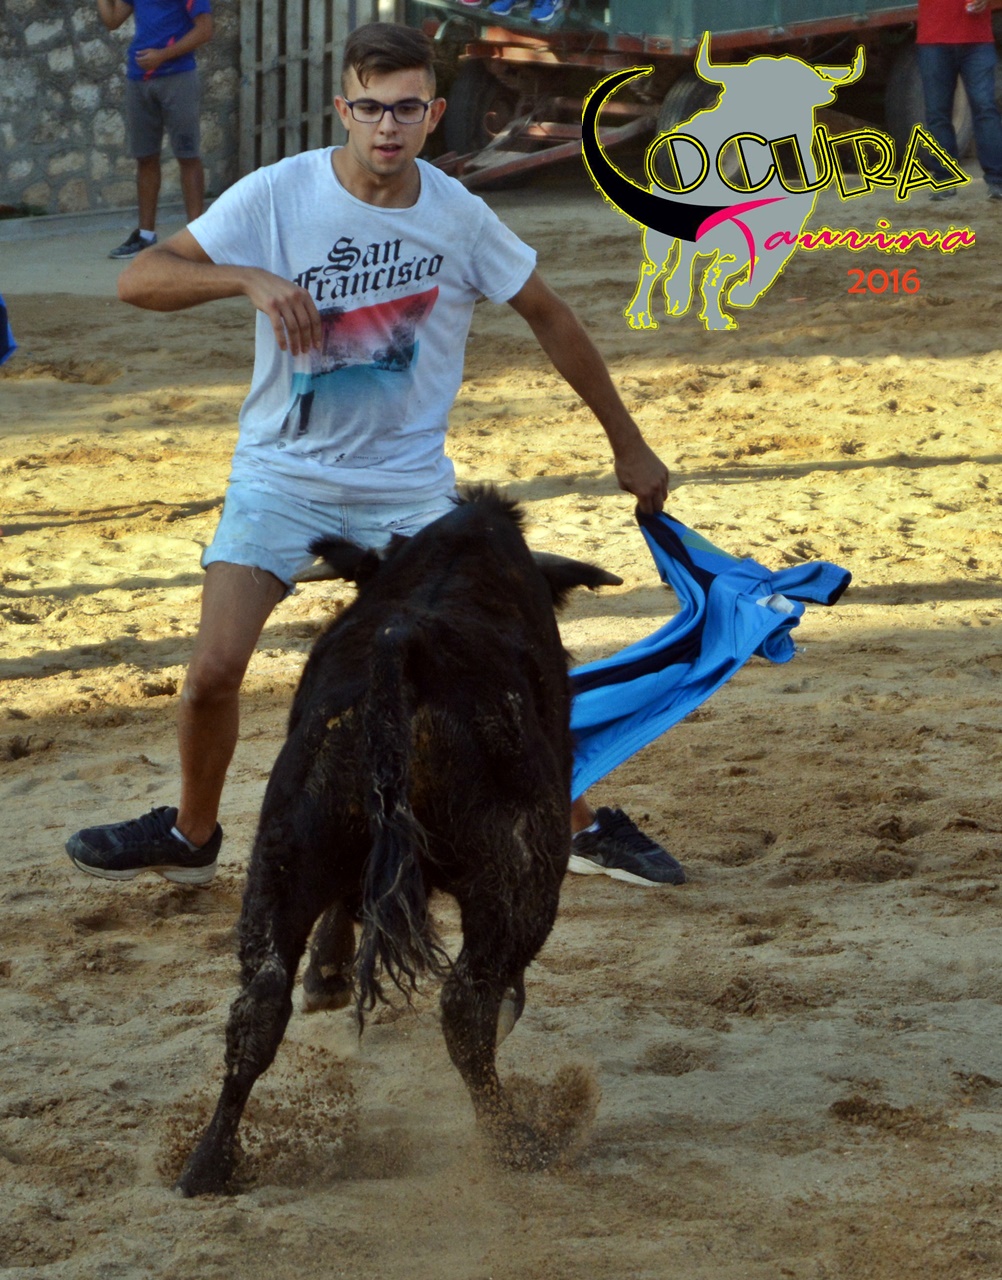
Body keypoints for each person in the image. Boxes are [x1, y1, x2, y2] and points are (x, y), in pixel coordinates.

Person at [65, 22, 684, 889]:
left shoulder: (459, 217)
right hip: (281, 478)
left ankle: (578, 826)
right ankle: (191, 834)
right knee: (211, 674)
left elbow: (550, 315)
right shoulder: (279, 194)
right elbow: (140, 278)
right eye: (369, 107)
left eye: (404, 109)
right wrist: (247, 278)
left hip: (406, 492)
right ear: (342, 108)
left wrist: (630, 442)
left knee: (501, 665)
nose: (386, 126)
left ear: (434, 114)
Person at [96, 0, 215, 258]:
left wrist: (162, 55)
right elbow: (112, 20)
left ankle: (198, 239)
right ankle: (145, 235)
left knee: (188, 156)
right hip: (138, 78)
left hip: (178, 76)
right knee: (145, 158)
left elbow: (205, 30)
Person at [916, 0, 1002, 200]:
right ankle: (945, 179)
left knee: (985, 109)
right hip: (935, 40)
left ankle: (997, 180)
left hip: (975, 40)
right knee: (938, 112)